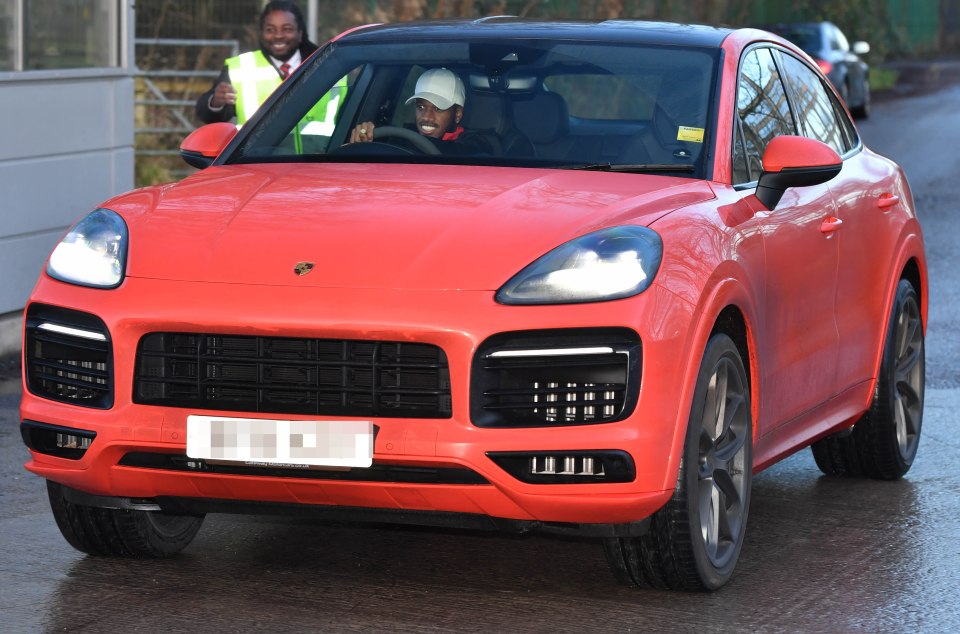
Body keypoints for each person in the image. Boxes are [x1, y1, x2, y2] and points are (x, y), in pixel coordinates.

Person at [195, 0, 344, 129]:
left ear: (300, 33)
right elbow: (208, 116)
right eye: (270, 30)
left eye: (287, 29)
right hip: (258, 161)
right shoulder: (241, 68)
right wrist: (215, 102)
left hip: (318, 160)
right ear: (261, 33)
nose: (278, 35)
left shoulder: (327, 66)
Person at [348, 68, 499, 155]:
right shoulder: (404, 136)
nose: (426, 117)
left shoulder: (477, 143)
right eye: (421, 107)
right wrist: (366, 136)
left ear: (457, 114)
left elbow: (461, 153)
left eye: (438, 108)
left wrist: (389, 141)